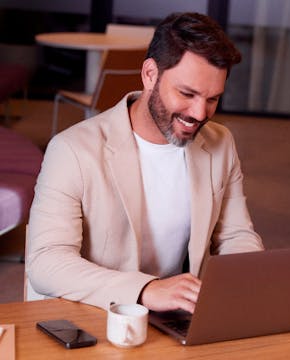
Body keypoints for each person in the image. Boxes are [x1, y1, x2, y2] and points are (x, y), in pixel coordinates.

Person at [27, 12, 263, 312]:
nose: (200, 113)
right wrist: (146, 290)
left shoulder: (221, 143)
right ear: (150, 74)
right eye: (187, 93)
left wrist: (248, 281)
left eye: (213, 98)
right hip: (102, 315)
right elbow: (46, 262)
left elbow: (235, 235)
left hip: (179, 315)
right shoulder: (72, 150)